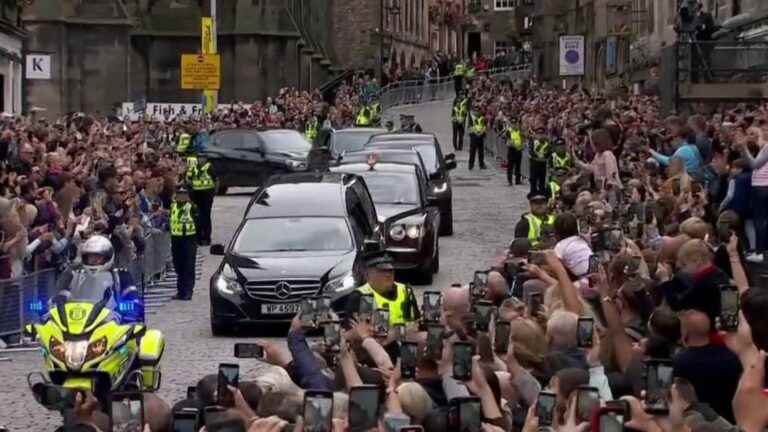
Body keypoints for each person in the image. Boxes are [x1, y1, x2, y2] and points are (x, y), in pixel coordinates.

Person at [55, 235, 143, 323]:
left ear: (107, 257)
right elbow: (64, 295)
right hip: (82, 321)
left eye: (98, 257)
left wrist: (129, 309)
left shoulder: (121, 275)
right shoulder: (78, 276)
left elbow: (132, 299)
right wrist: (57, 301)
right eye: (90, 257)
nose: (93, 260)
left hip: (112, 321)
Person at [344, 251, 419, 326]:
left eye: (390, 270)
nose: (388, 274)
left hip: (409, 337)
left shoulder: (405, 291)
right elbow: (351, 332)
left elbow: (418, 322)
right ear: (367, 274)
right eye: (382, 271)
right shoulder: (359, 296)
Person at [169, 186, 198, 301]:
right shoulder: (173, 206)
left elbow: (198, 220)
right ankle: (180, 291)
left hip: (189, 239)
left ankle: (188, 292)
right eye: (179, 194)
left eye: (184, 194)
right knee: (178, 266)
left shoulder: (191, 207)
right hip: (176, 239)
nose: (181, 196)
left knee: (188, 266)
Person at [185, 153, 216, 246]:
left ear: (206, 159)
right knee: (197, 215)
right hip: (196, 195)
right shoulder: (193, 167)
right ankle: (198, 237)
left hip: (207, 194)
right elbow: (188, 178)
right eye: (199, 158)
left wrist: (214, 192)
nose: (200, 159)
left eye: (202, 158)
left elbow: (216, 180)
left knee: (206, 216)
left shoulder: (209, 167)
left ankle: (207, 237)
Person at [529, 127, 550, 195]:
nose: (540, 135)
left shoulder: (547, 143)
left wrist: (543, 156)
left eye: (542, 133)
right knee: (533, 179)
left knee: (542, 179)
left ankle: (541, 193)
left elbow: (549, 152)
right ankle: (533, 193)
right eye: (539, 133)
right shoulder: (534, 142)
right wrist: (538, 156)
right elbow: (531, 151)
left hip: (542, 164)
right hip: (534, 163)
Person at [505, 118, 524, 185]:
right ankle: (510, 180)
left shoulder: (520, 131)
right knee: (510, 166)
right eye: (512, 123)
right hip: (512, 150)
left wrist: (521, 147)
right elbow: (508, 141)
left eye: (515, 123)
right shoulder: (509, 131)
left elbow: (523, 140)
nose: (514, 125)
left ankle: (517, 180)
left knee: (518, 166)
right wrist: (515, 146)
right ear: (511, 124)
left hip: (519, 150)